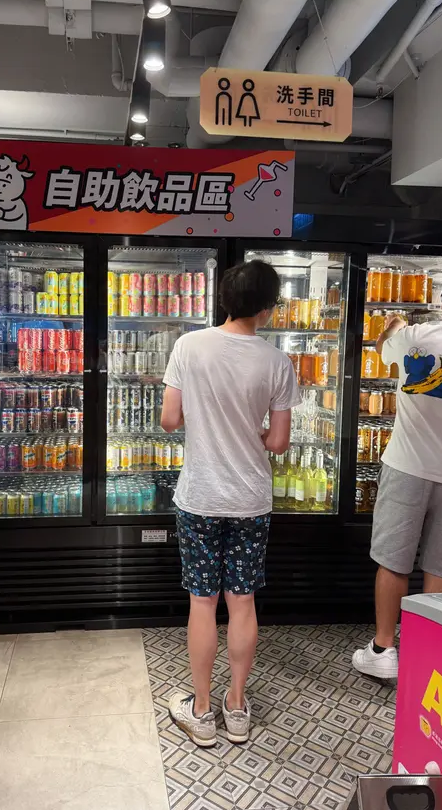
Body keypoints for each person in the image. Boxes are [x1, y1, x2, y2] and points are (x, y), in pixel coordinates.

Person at [160, 260, 300, 746]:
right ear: (267, 308)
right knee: (243, 601)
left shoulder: (189, 346)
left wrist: (206, 419)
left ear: (223, 300)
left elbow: (169, 420)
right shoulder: (277, 362)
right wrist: (250, 432)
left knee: (202, 601)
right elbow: (278, 442)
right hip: (250, 499)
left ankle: (201, 711)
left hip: (199, 495)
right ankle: (237, 707)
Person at [353, 267, 442, 680]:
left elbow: (382, 347)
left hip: (407, 466)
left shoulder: (414, 336)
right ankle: (427, 655)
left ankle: (382, 650)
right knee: (440, 568)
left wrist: (394, 325)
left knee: (393, 562)